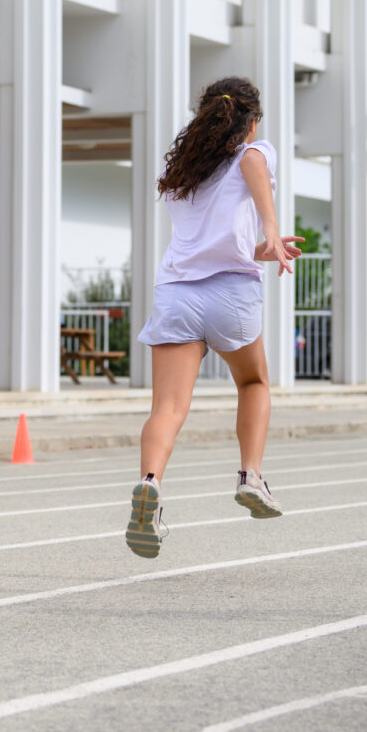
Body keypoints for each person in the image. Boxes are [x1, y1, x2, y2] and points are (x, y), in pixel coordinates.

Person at [127, 77, 303, 559]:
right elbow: (253, 163)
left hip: (178, 294)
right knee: (253, 383)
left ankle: (150, 485)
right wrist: (270, 228)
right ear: (251, 121)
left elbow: (209, 243)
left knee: (167, 407)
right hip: (230, 293)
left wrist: (262, 248)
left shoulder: (184, 175)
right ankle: (251, 476)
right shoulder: (253, 150)